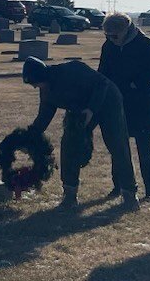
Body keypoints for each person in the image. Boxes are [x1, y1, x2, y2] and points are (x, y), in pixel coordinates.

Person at [21, 57, 137, 210]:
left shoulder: (72, 69)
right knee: (69, 146)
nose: (35, 87)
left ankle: (129, 194)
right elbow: (44, 116)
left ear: (43, 76)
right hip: (80, 110)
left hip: (108, 101)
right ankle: (69, 194)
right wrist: (30, 136)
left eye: (35, 83)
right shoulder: (47, 91)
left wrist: (91, 109)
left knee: (117, 144)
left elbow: (102, 83)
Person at [98, 13, 150, 201]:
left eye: (114, 35)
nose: (111, 39)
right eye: (108, 35)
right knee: (118, 147)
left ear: (125, 30)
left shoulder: (145, 45)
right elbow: (103, 73)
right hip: (117, 104)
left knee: (144, 146)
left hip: (142, 104)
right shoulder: (109, 47)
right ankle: (119, 186)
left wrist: (137, 83)